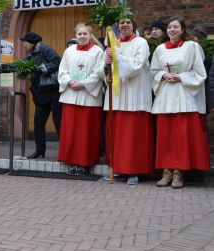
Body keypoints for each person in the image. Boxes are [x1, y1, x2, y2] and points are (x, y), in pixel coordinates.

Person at [151, 16, 210, 189]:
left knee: (180, 137)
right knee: (166, 136)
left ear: (182, 30)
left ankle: (178, 173)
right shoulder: (160, 49)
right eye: (169, 27)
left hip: (184, 94)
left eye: (176, 27)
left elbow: (200, 72)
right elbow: (153, 70)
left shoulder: (192, 47)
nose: (172, 30)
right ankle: (166, 172)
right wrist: (163, 75)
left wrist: (180, 76)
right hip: (166, 96)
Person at [103, 15, 155, 185]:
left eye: (128, 22)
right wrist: (106, 63)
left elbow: (136, 66)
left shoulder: (141, 43)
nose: (124, 25)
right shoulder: (113, 43)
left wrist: (116, 55)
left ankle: (134, 171)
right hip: (117, 96)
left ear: (134, 25)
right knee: (117, 135)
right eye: (121, 23)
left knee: (134, 136)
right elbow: (104, 71)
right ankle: (118, 168)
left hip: (135, 95)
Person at [58, 23, 105, 176]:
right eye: (79, 34)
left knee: (86, 132)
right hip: (71, 95)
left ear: (90, 35)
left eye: (85, 34)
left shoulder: (98, 52)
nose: (82, 36)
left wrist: (84, 83)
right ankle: (71, 161)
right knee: (71, 131)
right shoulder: (69, 51)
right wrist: (70, 81)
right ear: (75, 36)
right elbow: (62, 70)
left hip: (88, 97)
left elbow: (99, 73)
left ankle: (85, 163)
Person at [23, 32, 62, 159]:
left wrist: (41, 69)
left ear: (33, 43)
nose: (24, 44)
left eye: (26, 42)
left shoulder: (45, 49)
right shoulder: (30, 56)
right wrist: (0, 67)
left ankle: (65, 151)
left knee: (59, 123)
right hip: (41, 96)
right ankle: (40, 150)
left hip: (54, 93)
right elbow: (19, 66)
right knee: (38, 123)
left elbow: (57, 61)